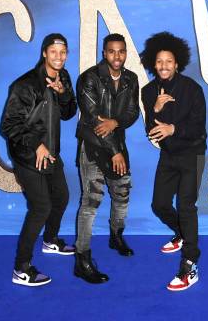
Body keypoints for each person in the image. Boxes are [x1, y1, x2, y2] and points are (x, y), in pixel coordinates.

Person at [0, 33, 77, 287]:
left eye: (63, 52)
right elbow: (8, 126)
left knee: (62, 197)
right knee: (41, 207)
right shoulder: (25, 85)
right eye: (53, 52)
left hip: (51, 152)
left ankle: (50, 241)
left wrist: (63, 93)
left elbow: (68, 113)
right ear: (44, 53)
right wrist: (36, 144)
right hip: (27, 155)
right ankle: (21, 269)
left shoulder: (63, 77)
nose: (59, 57)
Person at [140, 31, 207, 292]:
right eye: (159, 62)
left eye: (169, 61)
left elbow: (199, 128)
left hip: (192, 153)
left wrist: (173, 129)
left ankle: (190, 264)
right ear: (153, 64)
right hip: (168, 155)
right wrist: (155, 110)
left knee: (187, 206)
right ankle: (182, 233)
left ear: (177, 63)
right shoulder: (148, 92)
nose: (164, 66)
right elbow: (150, 130)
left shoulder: (192, 89)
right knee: (159, 204)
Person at [74, 33, 140, 284]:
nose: (117, 56)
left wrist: (116, 121)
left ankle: (116, 236)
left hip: (117, 146)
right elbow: (94, 121)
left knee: (122, 195)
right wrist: (115, 151)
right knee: (90, 203)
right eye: (112, 51)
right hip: (92, 147)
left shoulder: (131, 79)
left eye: (121, 51)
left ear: (125, 53)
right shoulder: (89, 78)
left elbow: (132, 112)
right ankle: (82, 259)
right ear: (104, 53)